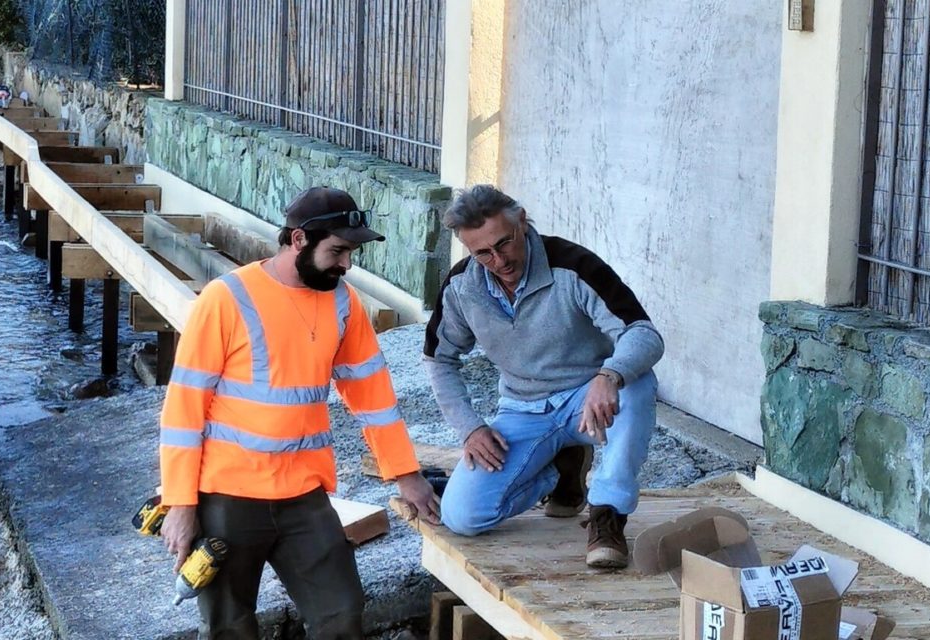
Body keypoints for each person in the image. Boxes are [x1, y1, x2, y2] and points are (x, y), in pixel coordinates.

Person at [158, 187, 442, 639]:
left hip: (303, 496)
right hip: (227, 496)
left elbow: (374, 399)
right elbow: (183, 408)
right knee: (228, 627)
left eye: (351, 252)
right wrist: (181, 503)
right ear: (298, 241)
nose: (347, 264)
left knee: (342, 613)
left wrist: (405, 473)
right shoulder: (225, 298)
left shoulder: (343, 303)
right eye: (338, 251)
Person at [423, 184, 663, 569]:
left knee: (638, 384)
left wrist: (610, 374)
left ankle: (607, 516)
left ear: (522, 221)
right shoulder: (461, 286)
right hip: (522, 408)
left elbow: (643, 334)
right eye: (482, 252)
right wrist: (470, 428)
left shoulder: (574, 265)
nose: (499, 260)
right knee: (464, 518)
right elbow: (439, 360)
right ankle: (558, 472)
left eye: (504, 243)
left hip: (588, 402)